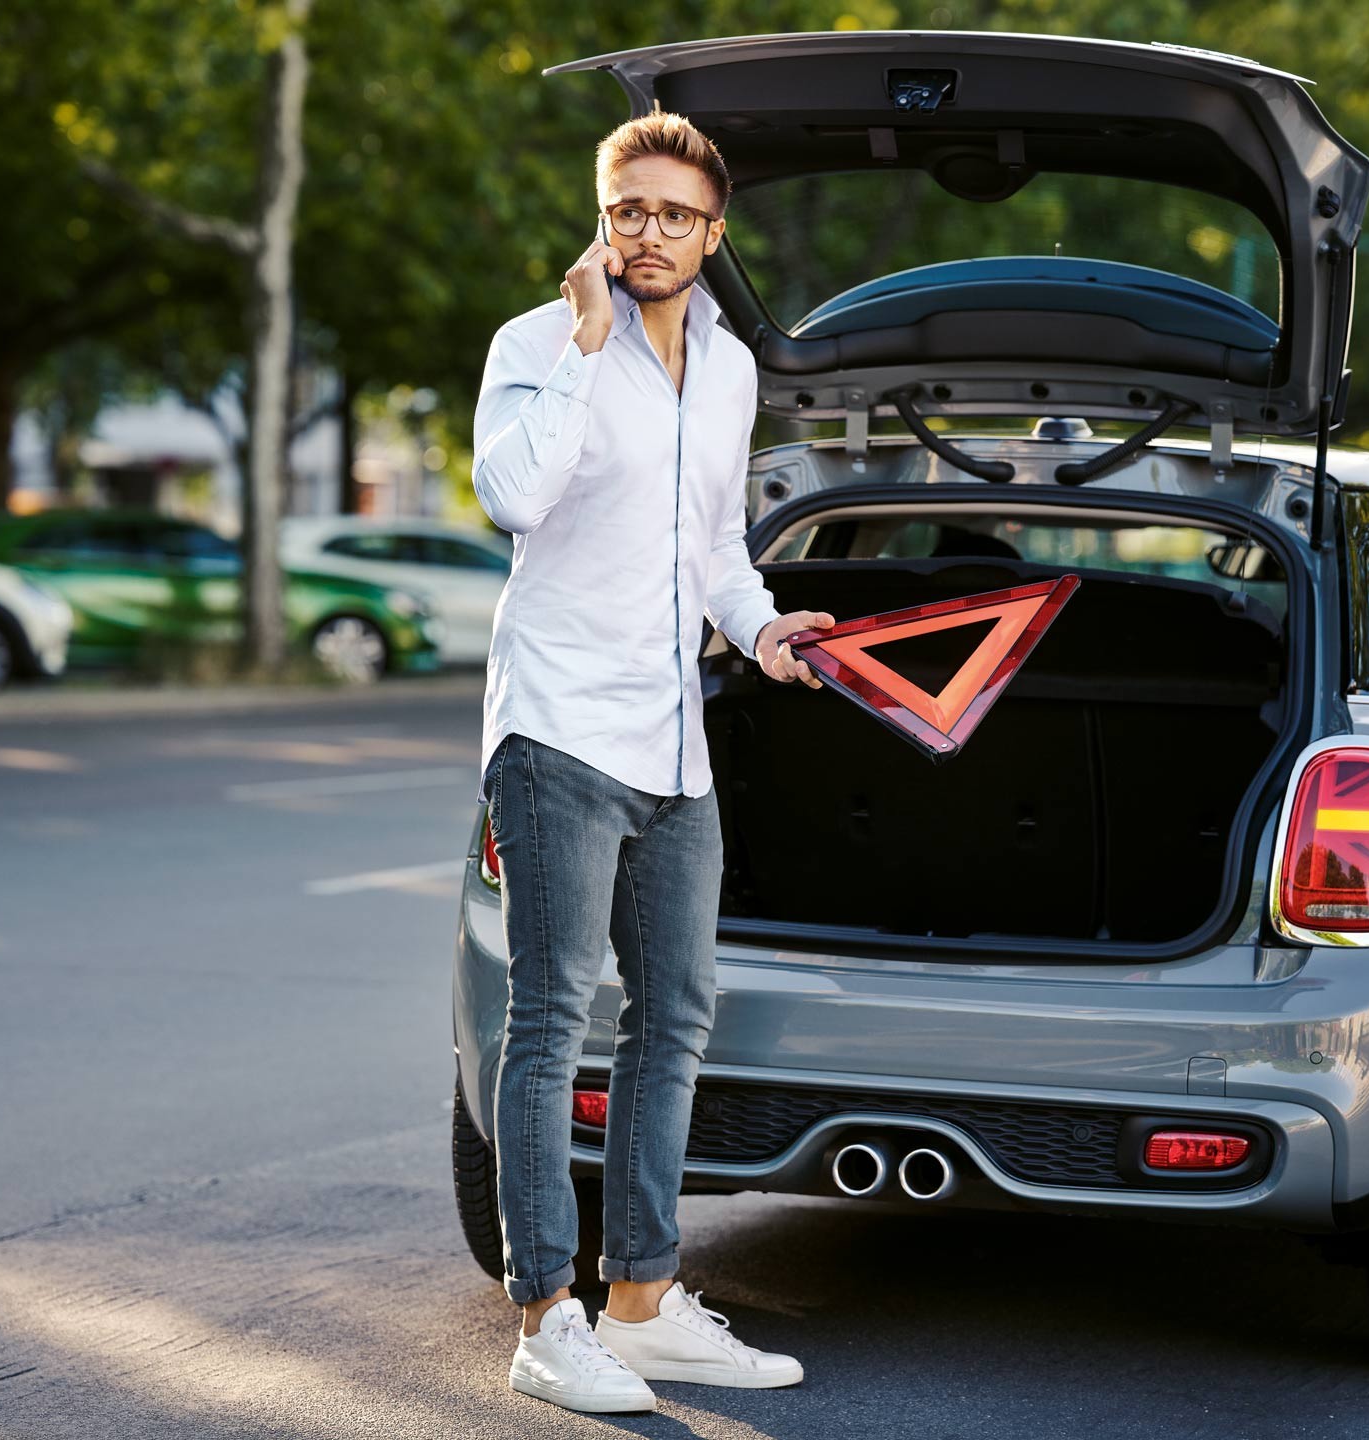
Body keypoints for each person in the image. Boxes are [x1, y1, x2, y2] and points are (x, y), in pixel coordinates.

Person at [470, 104, 831, 1414]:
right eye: (629, 210)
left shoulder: (730, 369)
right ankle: (544, 1316)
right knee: (548, 1022)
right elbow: (512, 498)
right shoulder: (536, 343)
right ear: (601, 215)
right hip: (558, 729)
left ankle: (641, 1303)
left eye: (677, 215)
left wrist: (764, 628)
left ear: (714, 234)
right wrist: (583, 343)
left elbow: (714, 547)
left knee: (674, 1016)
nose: (649, 234)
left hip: (674, 742)